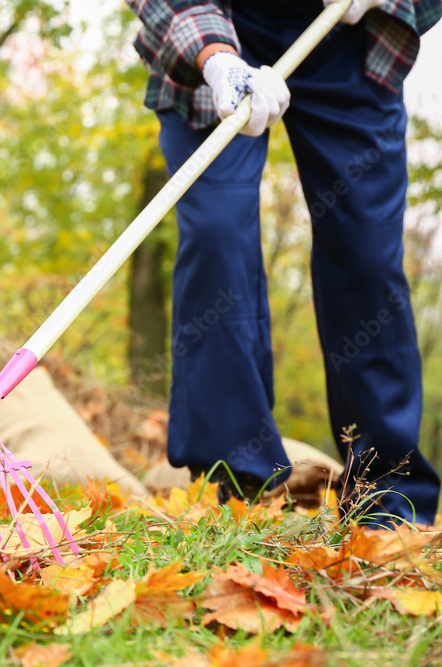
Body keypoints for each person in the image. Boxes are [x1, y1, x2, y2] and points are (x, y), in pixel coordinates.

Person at [124, 0, 442, 526]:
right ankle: (234, 481)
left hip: (350, 40)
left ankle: (389, 496)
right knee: (217, 234)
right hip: (218, 28)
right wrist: (216, 58)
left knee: (365, 255)